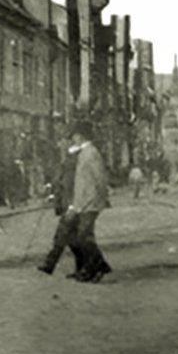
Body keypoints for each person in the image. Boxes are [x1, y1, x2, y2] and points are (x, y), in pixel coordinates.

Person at [67, 121, 113, 283]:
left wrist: (99, 197)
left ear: (80, 136)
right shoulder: (84, 152)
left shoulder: (91, 153)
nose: (73, 139)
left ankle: (99, 266)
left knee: (83, 236)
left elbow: (99, 178)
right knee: (83, 236)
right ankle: (91, 269)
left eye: (74, 136)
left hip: (90, 201)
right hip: (84, 201)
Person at [37, 138, 85, 277]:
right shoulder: (66, 161)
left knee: (62, 236)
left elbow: (71, 185)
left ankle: (50, 264)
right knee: (71, 239)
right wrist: (52, 191)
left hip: (71, 205)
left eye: (63, 142)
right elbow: (60, 182)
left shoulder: (73, 161)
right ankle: (81, 267)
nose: (60, 145)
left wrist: (72, 204)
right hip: (67, 204)